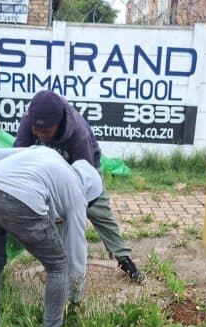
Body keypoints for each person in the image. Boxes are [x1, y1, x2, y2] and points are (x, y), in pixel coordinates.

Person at [0, 147, 102, 327]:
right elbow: (76, 253)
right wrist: (75, 297)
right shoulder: (77, 194)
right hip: (21, 201)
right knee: (58, 266)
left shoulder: (46, 153)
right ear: (89, 193)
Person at [14, 90, 144, 283]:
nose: (39, 134)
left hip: (84, 170)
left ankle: (124, 258)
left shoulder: (78, 133)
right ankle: (60, 267)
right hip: (49, 170)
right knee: (57, 223)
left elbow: (86, 183)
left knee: (101, 214)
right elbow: (19, 160)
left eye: (45, 131)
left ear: (58, 124)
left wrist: (73, 210)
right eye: (36, 129)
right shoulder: (30, 120)